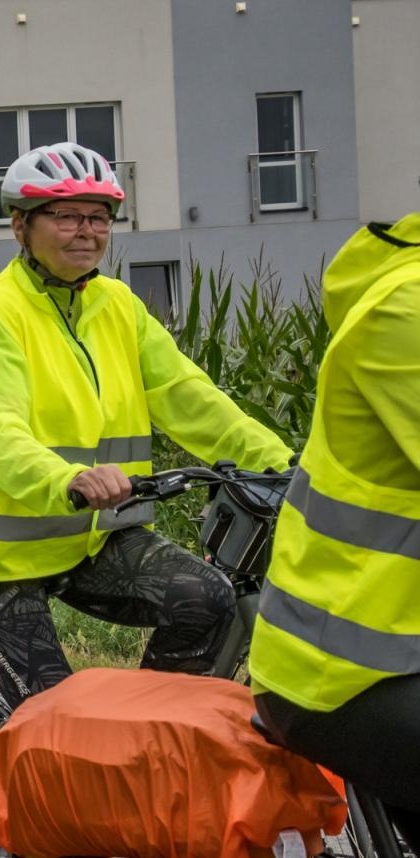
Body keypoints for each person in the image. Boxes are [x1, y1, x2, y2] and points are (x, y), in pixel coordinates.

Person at [0, 143, 293, 709]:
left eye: (99, 217)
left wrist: (284, 465)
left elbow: (188, 397)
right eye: (68, 215)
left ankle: (141, 743)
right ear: (21, 226)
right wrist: (67, 479)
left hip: (94, 540)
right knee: (54, 722)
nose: (87, 230)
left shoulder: (117, 305)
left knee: (208, 600)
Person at [250, 214, 420, 846]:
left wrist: (264, 451)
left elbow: (186, 391)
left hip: (402, 646)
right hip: (347, 670)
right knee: (200, 601)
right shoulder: (404, 309)